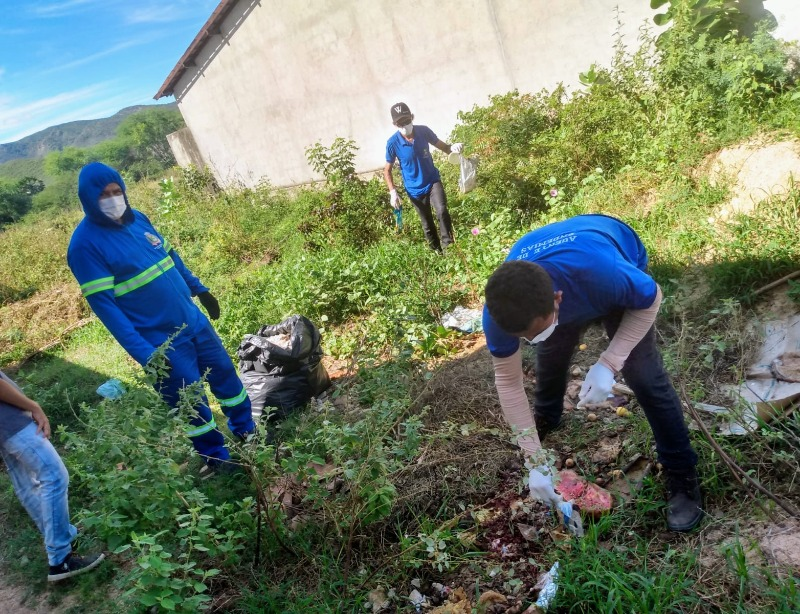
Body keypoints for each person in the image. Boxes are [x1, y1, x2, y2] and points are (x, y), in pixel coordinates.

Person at [482, 214, 703, 532]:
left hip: (605, 254)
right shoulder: (499, 312)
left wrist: (609, 363)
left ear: (558, 300)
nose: (529, 343)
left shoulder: (605, 275)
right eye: (524, 338)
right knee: (552, 349)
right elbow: (507, 381)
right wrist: (533, 457)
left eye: (536, 331)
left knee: (644, 374)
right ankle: (546, 417)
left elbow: (651, 299)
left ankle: (682, 473)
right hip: (558, 285)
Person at [67, 162, 254, 472]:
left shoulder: (138, 218)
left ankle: (247, 432)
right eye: (104, 195)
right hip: (161, 342)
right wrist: (145, 354)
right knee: (190, 402)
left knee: (226, 376)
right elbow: (107, 309)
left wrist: (198, 288)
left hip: (193, 322)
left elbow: (171, 257)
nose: (114, 199)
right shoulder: (85, 246)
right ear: (88, 198)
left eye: (118, 192)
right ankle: (216, 459)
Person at [0, 370, 105, 581]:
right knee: (54, 475)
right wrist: (33, 406)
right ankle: (60, 558)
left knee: (26, 483)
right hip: (10, 419)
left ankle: (63, 537)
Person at [383, 102, 462, 252]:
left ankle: (449, 248)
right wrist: (392, 192)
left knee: (442, 211)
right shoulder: (393, 143)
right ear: (395, 124)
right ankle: (436, 252)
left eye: (407, 120)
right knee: (427, 224)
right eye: (400, 123)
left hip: (432, 181)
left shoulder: (423, 131)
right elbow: (387, 170)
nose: (405, 125)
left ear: (412, 117)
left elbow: (444, 147)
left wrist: (453, 148)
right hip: (414, 190)